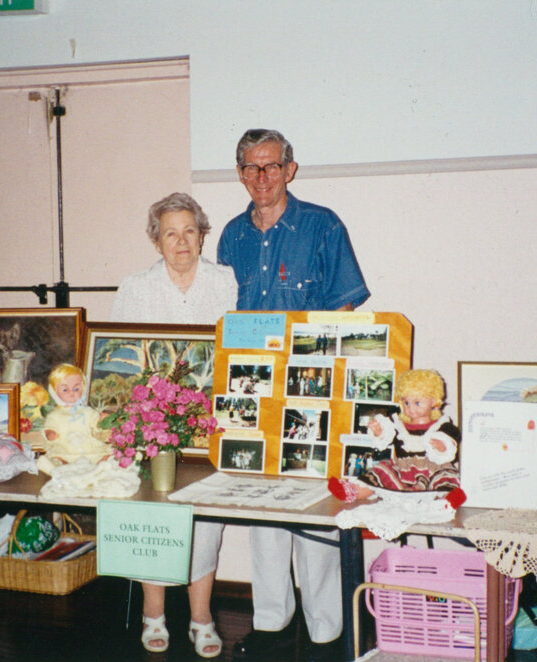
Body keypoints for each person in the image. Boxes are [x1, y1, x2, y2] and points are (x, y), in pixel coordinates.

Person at [217, 129, 369, 662]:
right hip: (251, 393)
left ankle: (326, 630)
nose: (262, 178)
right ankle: (271, 621)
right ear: (240, 173)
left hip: (311, 389)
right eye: (251, 168)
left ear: (291, 169)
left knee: (312, 508)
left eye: (272, 166)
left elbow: (345, 314)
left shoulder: (323, 226)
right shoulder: (231, 236)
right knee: (263, 511)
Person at [110, 191, 237, 658]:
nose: (181, 241)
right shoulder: (135, 287)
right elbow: (119, 358)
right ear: (155, 240)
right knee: (154, 512)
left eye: (189, 230)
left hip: (210, 421)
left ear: (202, 235)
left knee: (205, 515)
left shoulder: (227, 282)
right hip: (152, 419)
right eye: (170, 233)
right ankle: (154, 615)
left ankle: (202, 619)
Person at [359, 369, 460, 492]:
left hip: (432, 468)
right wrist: (379, 431)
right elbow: (386, 435)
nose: (410, 408)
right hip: (403, 470)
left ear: (434, 401)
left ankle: (448, 499)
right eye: (406, 403)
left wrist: (442, 446)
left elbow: (451, 440)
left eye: (417, 403)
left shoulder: (442, 425)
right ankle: (356, 491)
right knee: (381, 470)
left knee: (446, 476)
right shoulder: (398, 423)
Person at [41, 363, 111, 465]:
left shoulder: (88, 411)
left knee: (108, 453)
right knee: (55, 456)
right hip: (66, 450)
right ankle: (64, 465)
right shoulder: (55, 415)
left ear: (83, 389)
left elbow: (96, 426)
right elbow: (49, 426)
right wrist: (50, 433)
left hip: (89, 450)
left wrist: (101, 421)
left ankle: (101, 463)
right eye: (65, 389)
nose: (71, 393)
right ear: (54, 392)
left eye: (76, 389)